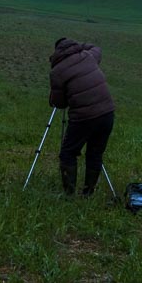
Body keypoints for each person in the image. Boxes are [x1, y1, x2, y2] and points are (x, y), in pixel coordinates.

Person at [49, 37, 115, 196]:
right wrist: (80, 46)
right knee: (95, 153)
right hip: (107, 113)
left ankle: (69, 194)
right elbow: (97, 47)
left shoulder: (57, 71)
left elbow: (58, 103)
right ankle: (88, 193)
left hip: (83, 118)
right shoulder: (88, 56)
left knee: (68, 153)